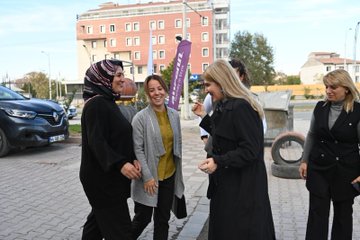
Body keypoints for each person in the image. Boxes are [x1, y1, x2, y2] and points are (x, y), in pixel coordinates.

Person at [192, 59, 275, 240]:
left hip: (243, 190)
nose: (206, 90)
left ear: (222, 82)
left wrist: (218, 161)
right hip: (228, 185)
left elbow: (251, 150)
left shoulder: (242, 107)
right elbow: (224, 133)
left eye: (208, 85)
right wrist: (205, 118)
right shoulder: (225, 104)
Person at [79, 59, 141, 240]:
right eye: (118, 75)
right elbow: (97, 142)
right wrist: (121, 163)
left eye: (123, 74)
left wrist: (132, 157)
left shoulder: (107, 102)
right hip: (103, 182)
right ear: (103, 78)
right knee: (121, 232)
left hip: (109, 179)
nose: (123, 79)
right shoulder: (96, 104)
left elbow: (116, 138)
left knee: (96, 226)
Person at [299, 69, 360, 240]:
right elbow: (312, 134)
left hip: (346, 172)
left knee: (343, 217)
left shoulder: (357, 111)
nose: (328, 91)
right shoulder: (320, 107)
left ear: (346, 88)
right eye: (326, 87)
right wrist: (304, 160)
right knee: (317, 215)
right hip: (319, 168)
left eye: (333, 87)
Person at [131, 74, 185, 240]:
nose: (157, 93)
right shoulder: (140, 118)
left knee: (163, 220)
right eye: (152, 90)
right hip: (149, 179)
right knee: (143, 219)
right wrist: (147, 177)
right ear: (147, 93)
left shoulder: (174, 115)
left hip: (169, 175)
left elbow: (178, 144)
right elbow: (137, 149)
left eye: (160, 89)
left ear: (166, 91)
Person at [199, 58, 266, 145]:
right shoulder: (221, 102)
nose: (206, 91)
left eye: (208, 85)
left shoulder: (243, 105)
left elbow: (249, 148)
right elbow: (221, 132)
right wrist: (204, 134)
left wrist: (220, 159)